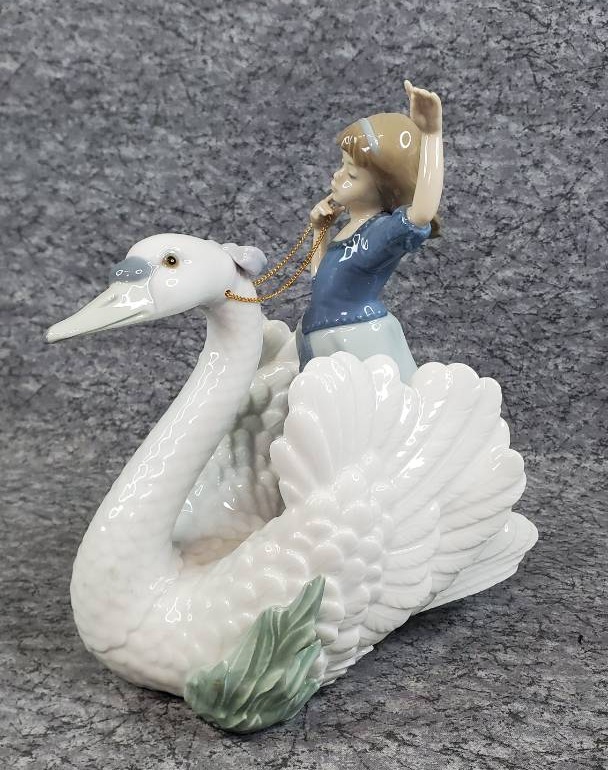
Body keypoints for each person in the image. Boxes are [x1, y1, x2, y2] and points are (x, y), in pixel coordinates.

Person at [295, 79, 443, 383]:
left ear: (382, 186)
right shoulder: (349, 229)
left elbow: (421, 212)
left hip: (358, 339)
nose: (337, 176)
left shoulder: (379, 233)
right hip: (322, 336)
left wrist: (431, 135)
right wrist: (320, 231)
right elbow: (321, 280)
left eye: (351, 174)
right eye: (342, 166)